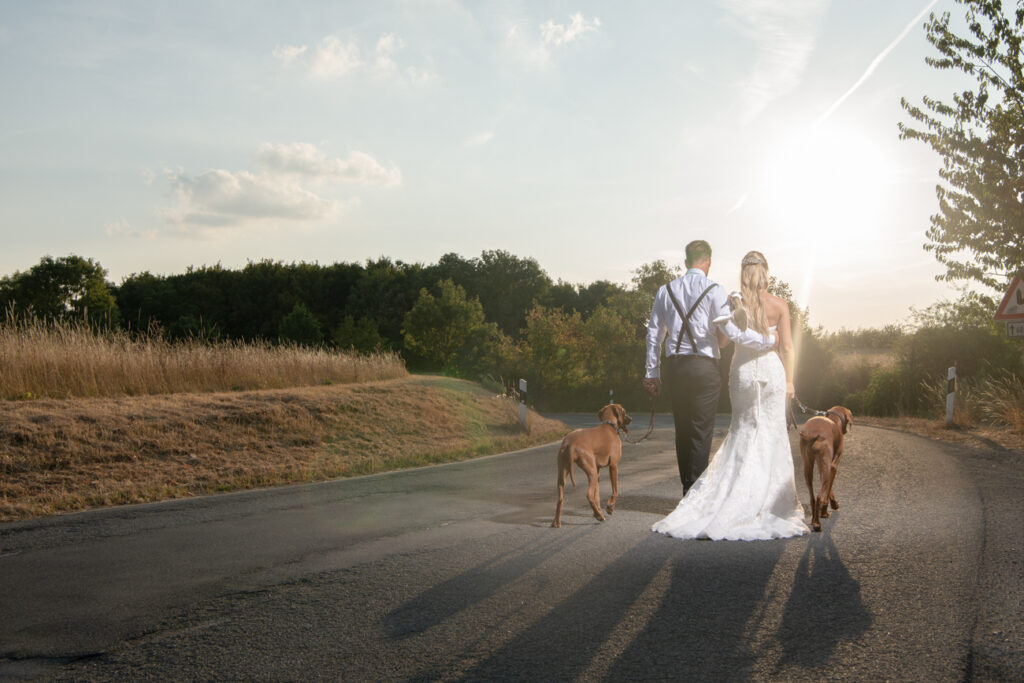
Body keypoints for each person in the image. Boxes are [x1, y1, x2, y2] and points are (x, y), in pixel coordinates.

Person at [650, 250, 809, 540]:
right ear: (766, 273)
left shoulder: (734, 303)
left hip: (744, 372)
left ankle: (732, 498)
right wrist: (790, 381)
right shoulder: (780, 305)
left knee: (743, 432)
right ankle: (771, 502)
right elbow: (786, 347)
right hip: (772, 374)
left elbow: (723, 342)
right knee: (772, 434)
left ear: (743, 274)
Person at [643, 240, 776, 493]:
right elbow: (732, 331)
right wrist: (767, 340)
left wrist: (652, 373)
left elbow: (654, 335)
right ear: (709, 262)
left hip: (676, 367)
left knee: (682, 430)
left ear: (685, 262)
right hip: (705, 368)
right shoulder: (715, 291)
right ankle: (695, 495)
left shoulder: (665, 291)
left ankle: (687, 488)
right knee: (701, 432)